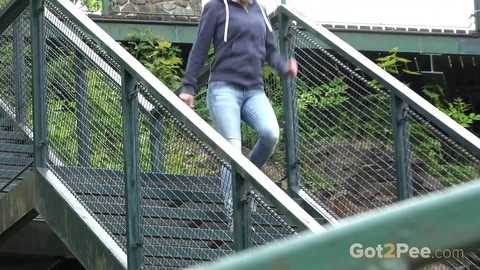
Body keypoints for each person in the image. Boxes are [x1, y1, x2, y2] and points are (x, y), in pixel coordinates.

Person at [179, 0, 298, 229]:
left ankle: (248, 181)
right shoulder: (216, 7)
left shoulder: (259, 10)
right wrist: (188, 87)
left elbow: (270, 50)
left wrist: (283, 66)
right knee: (231, 152)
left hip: (254, 90)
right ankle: (237, 220)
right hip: (223, 89)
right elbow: (200, 48)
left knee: (270, 133)